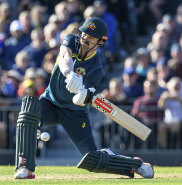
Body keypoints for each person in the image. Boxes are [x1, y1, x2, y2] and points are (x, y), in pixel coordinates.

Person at [13, 17, 154, 179]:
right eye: (84, 34)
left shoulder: (96, 68)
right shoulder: (71, 40)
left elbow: (85, 96)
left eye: (90, 37)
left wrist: (83, 95)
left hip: (74, 113)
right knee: (28, 111)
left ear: (100, 42)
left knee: (93, 159)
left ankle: (136, 165)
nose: (85, 38)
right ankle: (25, 167)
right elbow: (65, 57)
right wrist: (69, 73)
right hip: (50, 102)